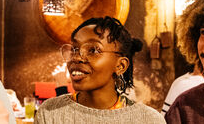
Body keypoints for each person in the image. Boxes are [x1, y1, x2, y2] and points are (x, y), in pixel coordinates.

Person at [35, 17, 165, 124]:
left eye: (93, 50)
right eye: (74, 49)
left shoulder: (149, 120)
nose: (77, 57)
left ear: (120, 66)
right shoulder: (50, 113)